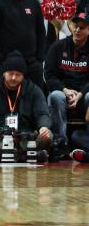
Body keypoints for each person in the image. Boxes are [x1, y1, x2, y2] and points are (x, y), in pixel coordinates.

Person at [0, 51, 52, 161]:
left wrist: (43, 126)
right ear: (4, 73)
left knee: (48, 135)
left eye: (18, 74)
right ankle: (27, 155)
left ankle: (0, 154)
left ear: (23, 75)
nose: (14, 78)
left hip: (26, 138)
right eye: (10, 73)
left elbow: (42, 113)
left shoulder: (33, 90)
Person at [44, 10, 89, 147]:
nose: (77, 30)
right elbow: (49, 75)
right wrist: (64, 90)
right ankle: (60, 142)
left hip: (84, 94)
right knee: (55, 96)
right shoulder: (58, 46)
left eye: (81, 27)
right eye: (75, 26)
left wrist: (80, 94)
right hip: (63, 92)